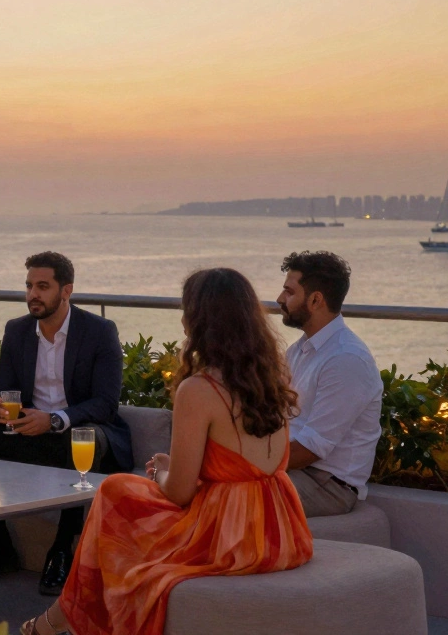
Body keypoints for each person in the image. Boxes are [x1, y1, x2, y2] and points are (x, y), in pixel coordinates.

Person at [24, 268, 313, 635]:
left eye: (186, 310)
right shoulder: (275, 373)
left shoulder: (200, 389)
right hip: (281, 526)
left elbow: (179, 492)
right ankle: (61, 618)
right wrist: (176, 467)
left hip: (230, 535)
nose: (182, 319)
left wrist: (162, 471)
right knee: (123, 496)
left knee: (114, 491)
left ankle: (60, 619)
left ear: (200, 319)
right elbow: (244, 462)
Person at [0, 251, 133, 595]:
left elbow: (105, 403)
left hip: (77, 434)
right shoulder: (17, 330)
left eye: (42, 286)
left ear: (66, 290)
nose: (32, 295)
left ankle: (62, 549)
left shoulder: (99, 331)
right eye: (29, 286)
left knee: (84, 437)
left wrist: (55, 420)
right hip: (29, 432)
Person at [277, 251, 383, 517]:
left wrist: (245, 462)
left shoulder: (346, 359)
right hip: (295, 471)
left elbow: (312, 449)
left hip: (327, 486)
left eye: (289, 292)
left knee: (229, 493)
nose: (279, 299)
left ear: (315, 300)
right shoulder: (299, 350)